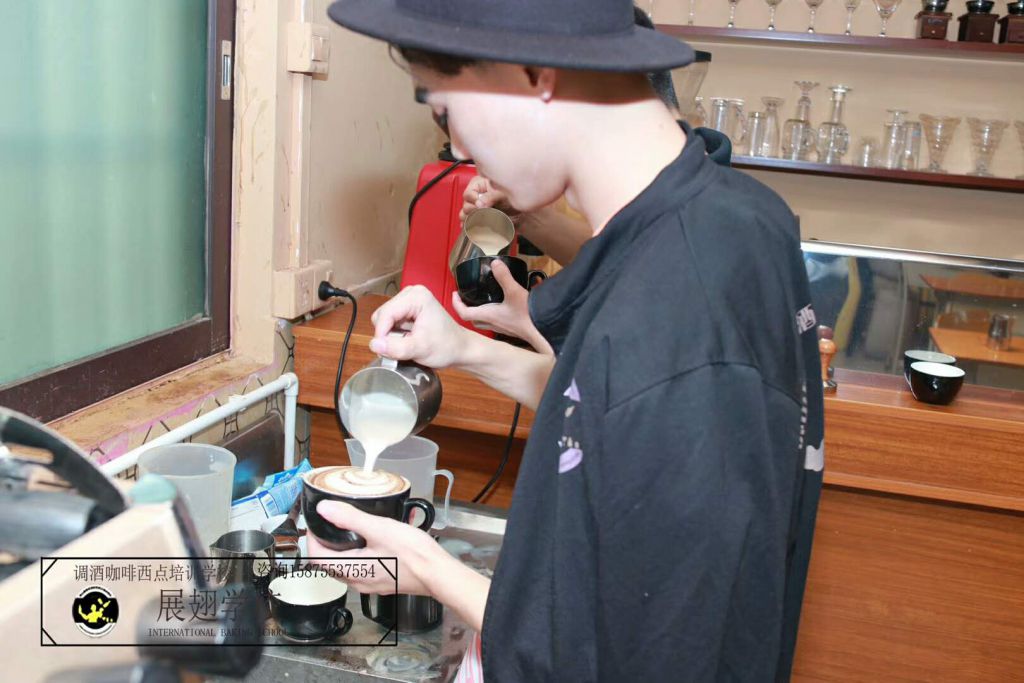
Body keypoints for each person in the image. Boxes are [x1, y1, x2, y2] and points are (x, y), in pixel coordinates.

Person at [315, 1, 825, 680]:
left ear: (534, 72)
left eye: (445, 110)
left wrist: (430, 568)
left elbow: (634, 657)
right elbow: (620, 423)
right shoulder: (734, 219)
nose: (458, 149)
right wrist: (465, 348)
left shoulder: (679, 315)